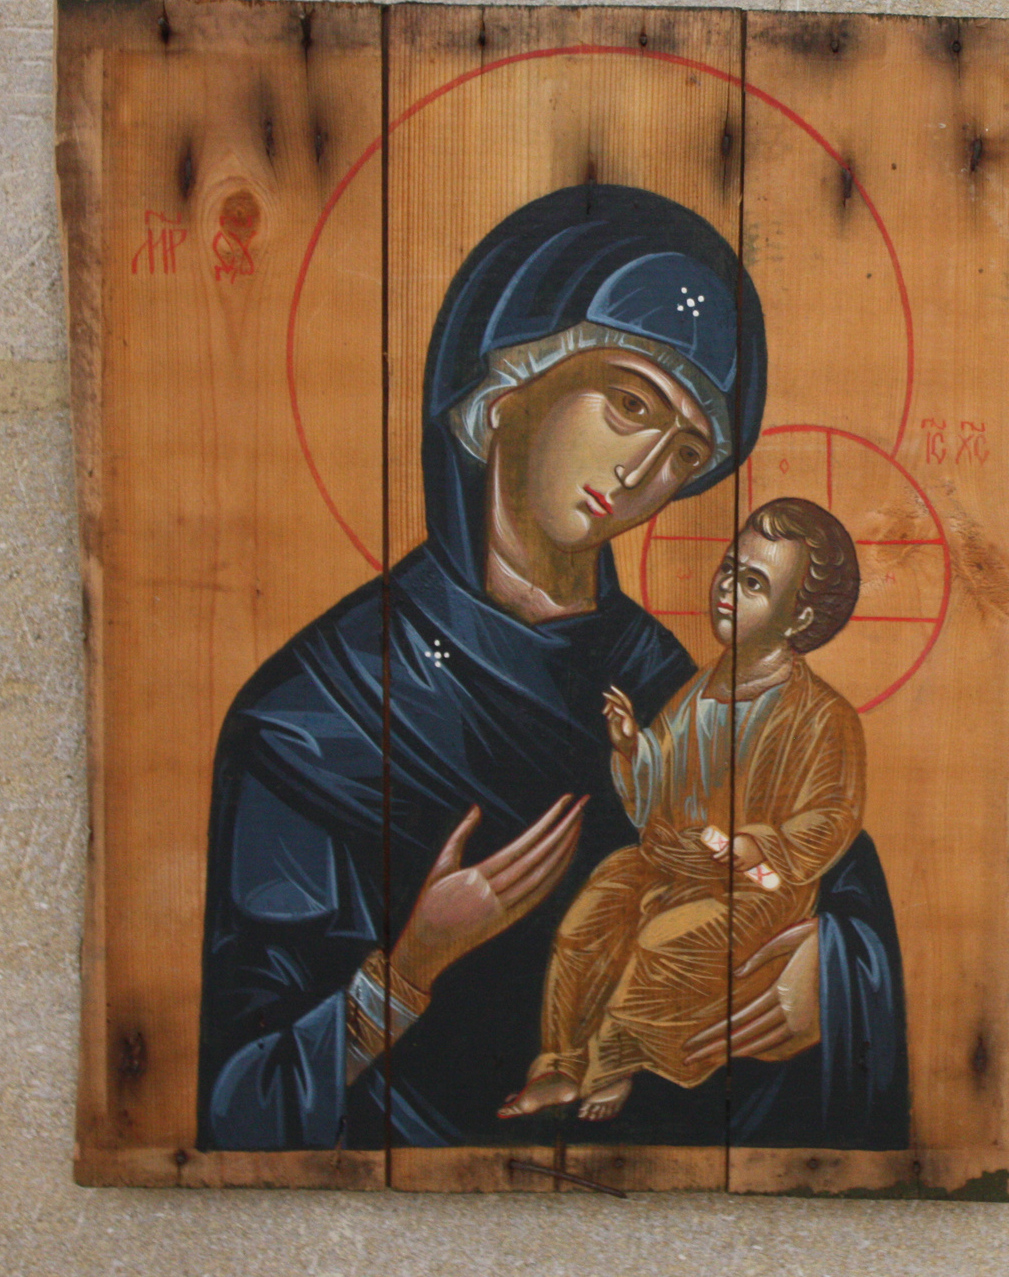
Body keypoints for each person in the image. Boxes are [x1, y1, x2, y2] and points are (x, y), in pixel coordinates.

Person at [198, 184, 907, 1152]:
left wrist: (833, 970)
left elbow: (835, 872)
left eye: (686, 449)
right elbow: (238, 1096)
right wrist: (411, 964)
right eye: (627, 402)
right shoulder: (314, 714)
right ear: (503, 390)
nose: (646, 472)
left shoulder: (667, 675)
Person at [502, 498, 865, 1123]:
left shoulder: (822, 716)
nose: (728, 588)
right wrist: (632, 748)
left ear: (799, 614)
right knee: (587, 921)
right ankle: (561, 1063)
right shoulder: (702, 689)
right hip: (676, 861)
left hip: (758, 883)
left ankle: (615, 1062)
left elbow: (830, 816)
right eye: (730, 569)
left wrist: (757, 845)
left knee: (665, 941)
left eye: (753, 583)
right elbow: (662, 781)